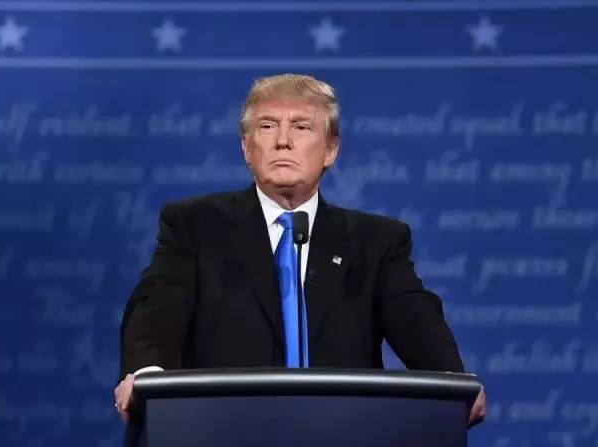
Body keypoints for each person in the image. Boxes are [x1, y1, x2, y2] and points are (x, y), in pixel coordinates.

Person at [115, 73, 486, 426]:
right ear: (246, 148)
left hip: (344, 431)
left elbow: (415, 319)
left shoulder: (376, 242)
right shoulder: (194, 227)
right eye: (267, 126)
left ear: (331, 149)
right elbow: (156, 306)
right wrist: (146, 376)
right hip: (222, 428)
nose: (283, 140)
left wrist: (452, 382)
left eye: (301, 127)